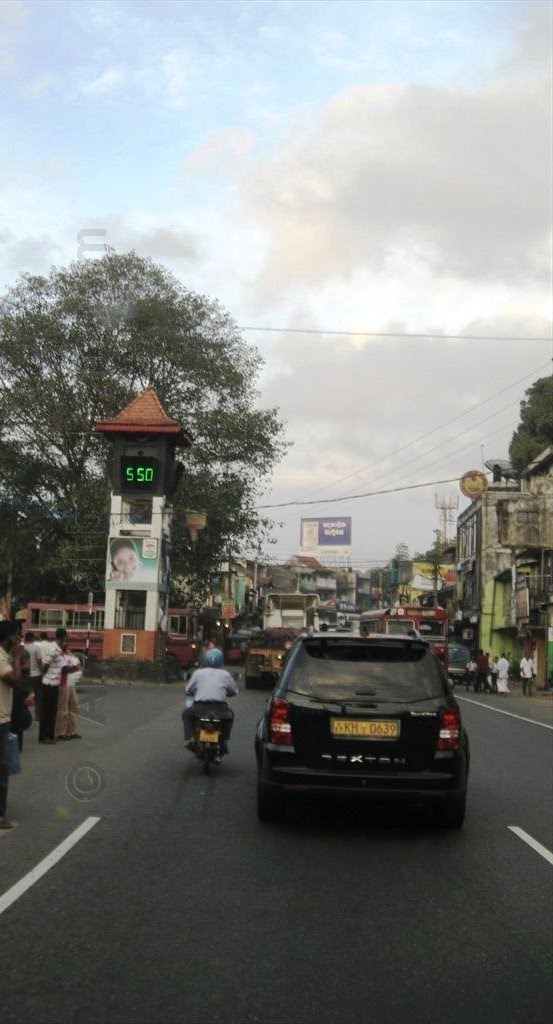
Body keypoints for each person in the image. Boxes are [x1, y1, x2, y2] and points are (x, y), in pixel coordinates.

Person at [182, 647, 238, 752]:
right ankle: (225, 739)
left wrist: (192, 692)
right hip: (220, 709)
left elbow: (188, 690)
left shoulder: (198, 673)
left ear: (206, 659)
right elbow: (234, 691)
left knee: (186, 714)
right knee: (230, 717)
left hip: (199, 708)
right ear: (221, 660)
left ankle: (191, 738)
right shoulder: (225, 675)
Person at [0, 621, 21, 829]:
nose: (18, 640)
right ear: (8, 637)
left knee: (5, 768)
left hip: (4, 719)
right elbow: (15, 680)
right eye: (16, 636)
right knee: (2, 769)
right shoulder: (0, 657)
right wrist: (16, 656)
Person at [40, 627, 71, 743]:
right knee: (48, 712)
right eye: (65, 637)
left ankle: (47, 736)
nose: (66, 640)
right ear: (62, 637)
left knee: (51, 712)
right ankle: (45, 737)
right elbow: (45, 665)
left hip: (54, 683)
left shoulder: (58, 649)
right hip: (49, 683)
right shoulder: (53, 649)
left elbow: (64, 668)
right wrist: (44, 676)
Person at [54, 641, 83, 740]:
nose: (66, 644)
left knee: (74, 707)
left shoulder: (70, 656)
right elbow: (65, 669)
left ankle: (71, 731)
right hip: (63, 683)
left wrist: (75, 668)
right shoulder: (59, 656)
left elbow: (78, 665)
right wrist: (74, 668)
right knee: (62, 708)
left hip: (71, 683)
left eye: (67, 642)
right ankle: (60, 732)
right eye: (64, 642)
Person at [24, 630, 43, 721]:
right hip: (36, 675)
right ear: (33, 638)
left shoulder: (22, 648)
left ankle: (24, 714)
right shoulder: (36, 648)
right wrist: (43, 672)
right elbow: (39, 662)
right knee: (38, 696)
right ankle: (38, 715)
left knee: (24, 695)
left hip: (25, 675)